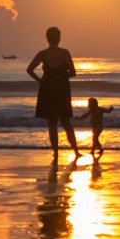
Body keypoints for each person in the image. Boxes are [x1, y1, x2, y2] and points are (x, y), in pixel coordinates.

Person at [27, 26, 80, 156]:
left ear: (47, 38)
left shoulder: (43, 54)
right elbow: (73, 72)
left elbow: (29, 69)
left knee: (52, 123)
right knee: (66, 122)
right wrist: (61, 76)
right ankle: (76, 151)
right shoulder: (65, 53)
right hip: (62, 89)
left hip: (47, 89)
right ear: (59, 38)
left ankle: (56, 152)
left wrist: (40, 80)